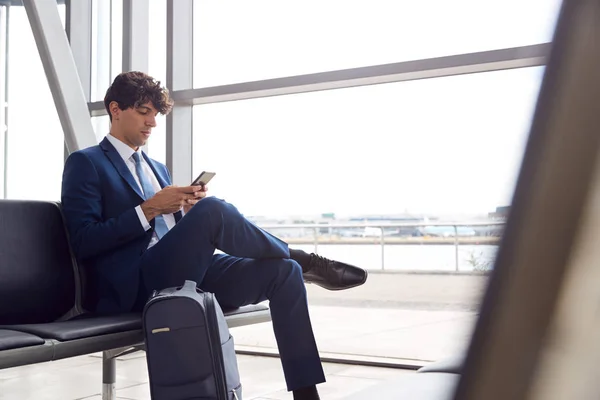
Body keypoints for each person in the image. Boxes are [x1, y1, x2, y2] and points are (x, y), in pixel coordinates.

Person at [61, 71, 368, 400]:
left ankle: (306, 394)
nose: (151, 123)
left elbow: (169, 234)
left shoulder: (157, 168)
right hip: (133, 285)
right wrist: (148, 209)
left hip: (183, 273)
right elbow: (83, 241)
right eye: (143, 111)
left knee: (284, 273)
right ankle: (306, 259)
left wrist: (184, 214)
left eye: (155, 114)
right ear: (115, 109)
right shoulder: (87, 163)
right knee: (215, 211)